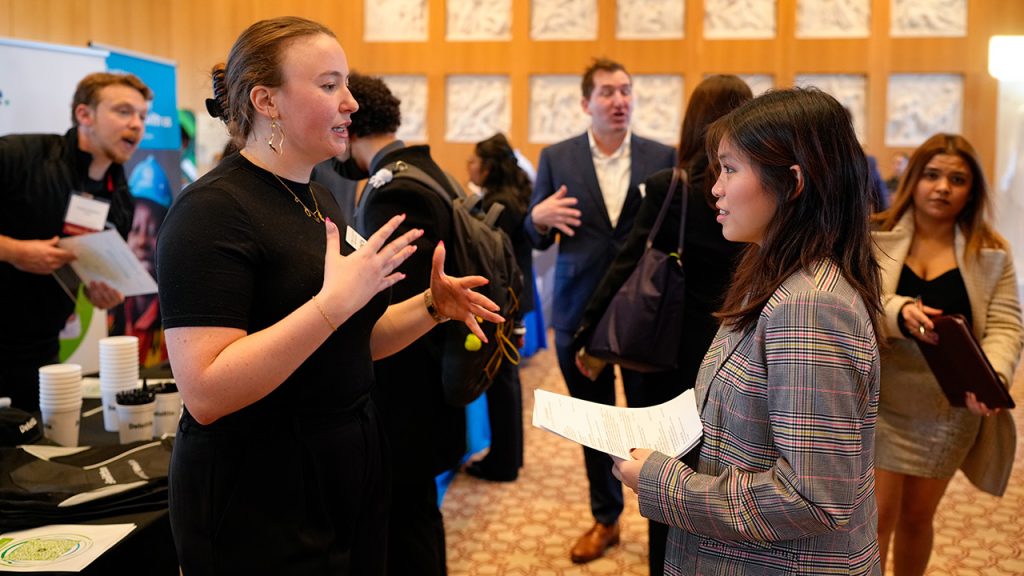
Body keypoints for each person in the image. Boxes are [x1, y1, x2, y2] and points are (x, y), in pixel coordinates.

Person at [156, 18, 502, 575]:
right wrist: (329, 306)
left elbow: (350, 345)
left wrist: (432, 307)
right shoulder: (210, 212)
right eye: (328, 85)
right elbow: (206, 390)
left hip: (346, 460)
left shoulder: (318, 197)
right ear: (265, 100)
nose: (349, 103)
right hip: (259, 484)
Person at [613, 87, 884, 575]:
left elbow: (813, 498)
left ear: (793, 182)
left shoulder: (810, 307)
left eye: (731, 169)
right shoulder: (771, 272)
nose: (715, 187)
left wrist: (662, 481)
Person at [573, 74, 751, 575]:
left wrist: (589, 338)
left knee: (663, 477)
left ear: (692, 123)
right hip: (736, 356)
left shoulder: (670, 187)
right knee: (725, 478)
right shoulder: (759, 193)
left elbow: (626, 265)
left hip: (664, 356)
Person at [525, 57, 676, 563]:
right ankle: (606, 519)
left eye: (626, 91)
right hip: (577, 308)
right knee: (595, 424)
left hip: (643, 313)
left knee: (650, 423)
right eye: (608, 92)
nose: (619, 100)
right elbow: (533, 231)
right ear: (585, 102)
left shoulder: (662, 156)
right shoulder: (557, 157)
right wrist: (537, 218)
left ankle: (662, 524)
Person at [331, 72, 468, 576]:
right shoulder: (427, 167)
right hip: (429, 380)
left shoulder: (392, 189)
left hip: (408, 389)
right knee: (416, 518)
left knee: (406, 525)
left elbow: (396, 302)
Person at [871, 133, 1023, 576]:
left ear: (971, 190)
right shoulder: (875, 233)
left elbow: (1006, 325)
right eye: (932, 175)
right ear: (913, 180)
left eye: (957, 179)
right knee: (877, 517)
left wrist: (990, 377)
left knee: (918, 518)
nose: (942, 187)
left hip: (949, 405)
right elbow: (856, 300)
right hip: (882, 398)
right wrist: (898, 311)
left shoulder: (991, 252)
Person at [0, 72, 151, 412]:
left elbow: (88, 276)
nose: (137, 124)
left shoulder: (122, 200)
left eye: (142, 116)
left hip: (40, 350)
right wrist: (14, 252)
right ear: (85, 115)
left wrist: (100, 290)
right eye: (124, 111)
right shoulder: (17, 156)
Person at [462, 132, 535, 482]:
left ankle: (504, 462)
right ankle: (509, 457)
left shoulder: (499, 205)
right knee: (506, 381)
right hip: (512, 301)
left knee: (501, 382)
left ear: (488, 167)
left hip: (504, 303)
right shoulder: (506, 197)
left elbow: (498, 264)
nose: (469, 168)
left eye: (474, 162)